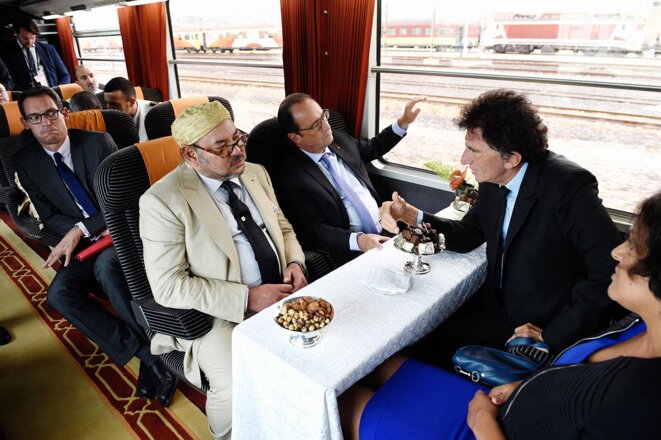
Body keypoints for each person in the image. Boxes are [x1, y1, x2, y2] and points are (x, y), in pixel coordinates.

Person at [341, 191, 661, 440]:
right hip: (511, 401)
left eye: (634, 247)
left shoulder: (641, 403)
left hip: (487, 428)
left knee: (341, 398)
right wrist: (523, 384)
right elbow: (579, 373)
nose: (616, 252)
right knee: (373, 365)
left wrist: (483, 423)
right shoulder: (637, 324)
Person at [380, 89, 622, 365]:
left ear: (512, 159)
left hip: (539, 324)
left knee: (419, 356)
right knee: (412, 341)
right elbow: (467, 235)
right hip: (496, 305)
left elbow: (610, 270)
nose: (463, 159)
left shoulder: (568, 187)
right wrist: (413, 215)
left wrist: (555, 333)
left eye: (473, 150)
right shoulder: (493, 181)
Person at [140, 101, 307, 440]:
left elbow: (283, 226)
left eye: (238, 139)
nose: (237, 151)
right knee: (234, 386)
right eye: (222, 147)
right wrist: (246, 297)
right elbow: (168, 285)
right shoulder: (162, 201)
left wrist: (295, 262)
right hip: (219, 315)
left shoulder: (255, 172)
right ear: (191, 155)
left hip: (284, 290)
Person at [13, 86, 177, 407]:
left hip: (122, 234)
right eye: (35, 117)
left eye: (50, 113)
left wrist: (82, 227)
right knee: (58, 294)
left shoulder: (98, 142)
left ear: (64, 112)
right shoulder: (26, 161)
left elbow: (123, 201)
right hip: (86, 245)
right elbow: (48, 216)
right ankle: (147, 353)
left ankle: (151, 357)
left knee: (108, 266)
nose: (46, 123)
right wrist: (77, 232)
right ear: (26, 122)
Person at [273, 93, 425, 256]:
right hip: (352, 249)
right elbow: (314, 230)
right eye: (317, 124)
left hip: (388, 228)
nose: (326, 125)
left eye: (324, 115)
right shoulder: (291, 177)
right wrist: (360, 241)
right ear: (296, 137)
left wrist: (403, 122)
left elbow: (374, 147)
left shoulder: (339, 140)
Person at [0, 19, 70, 91]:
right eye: (25, 38)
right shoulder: (6, 53)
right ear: (17, 34)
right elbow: (10, 81)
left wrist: (58, 91)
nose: (29, 42)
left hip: (52, 93)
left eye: (32, 38)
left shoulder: (49, 49)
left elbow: (64, 75)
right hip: (27, 96)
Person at [103, 77, 155, 141]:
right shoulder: (105, 119)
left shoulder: (156, 113)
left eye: (115, 105)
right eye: (107, 103)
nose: (109, 109)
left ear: (132, 102)